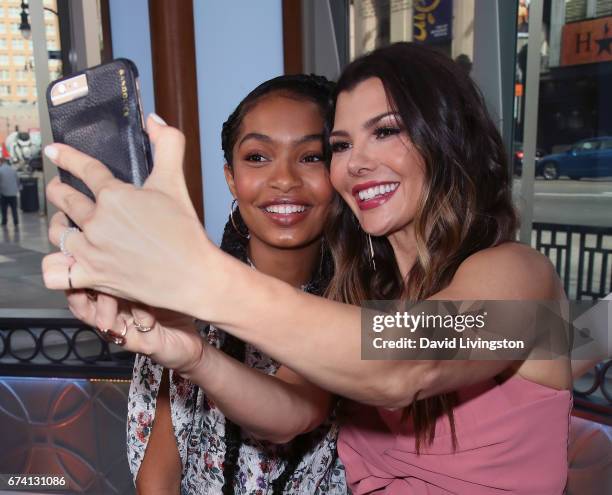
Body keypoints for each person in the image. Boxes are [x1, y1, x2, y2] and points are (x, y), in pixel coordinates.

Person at [43, 43, 573, 493]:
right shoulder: (358, 298)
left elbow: (406, 365)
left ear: (448, 137)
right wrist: (193, 355)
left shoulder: (522, 281)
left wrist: (194, 274)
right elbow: (291, 414)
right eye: (341, 145)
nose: (356, 162)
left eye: (386, 131)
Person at [51, 75, 347, 494]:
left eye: (311, 157)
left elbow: (294, 413)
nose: (284, 179)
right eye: (258, 157)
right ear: (231, 177)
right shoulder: (183, 302)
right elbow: (158, 476)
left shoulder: (362, 303)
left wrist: (197, 345)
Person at [0, 158, 20, 227]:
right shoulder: (12, 169)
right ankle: (16, 221)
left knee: (4, 209)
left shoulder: (0, 170)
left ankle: (4, 221)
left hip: (4, 193)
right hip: (13, 193)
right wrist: (17, 188)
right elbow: (17, 180)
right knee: (14, 208)